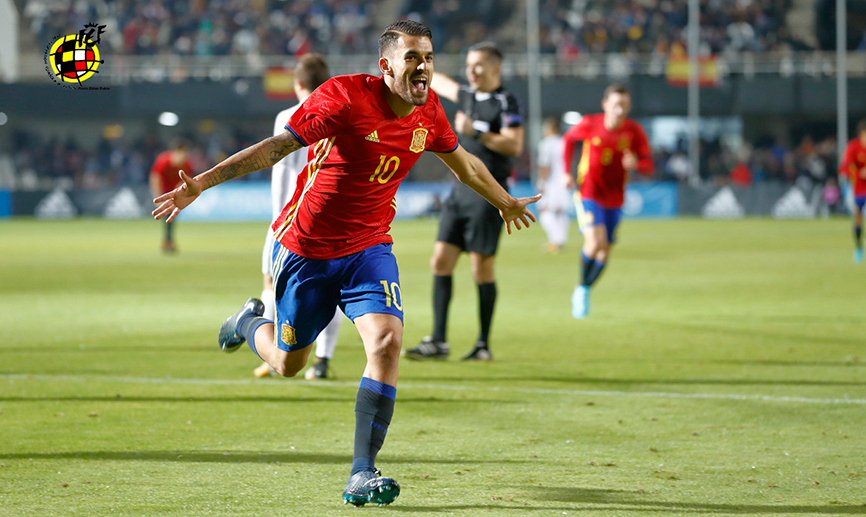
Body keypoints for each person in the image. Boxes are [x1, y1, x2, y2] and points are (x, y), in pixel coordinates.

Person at [151, 20, 539, 507]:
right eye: (413, 58)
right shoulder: (343, 97)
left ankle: (362, 471)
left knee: (388, 340)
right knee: (290, 364)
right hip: (307, 250)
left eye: (429, 57)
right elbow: (274, 149)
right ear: (386, 66)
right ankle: (250, 324)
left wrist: (504, 200)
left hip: (369, 250)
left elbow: (466, 165)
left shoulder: (430, 112)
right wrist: (202, 183)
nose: (424, 67)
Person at [403, 41, 524, 362]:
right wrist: (415, 66)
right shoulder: (468, 96)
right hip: (458, 193)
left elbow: (515, 145)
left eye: (478, 65)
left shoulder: (506, 101)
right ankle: (438, 340)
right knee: (440, 261)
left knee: (481, 269)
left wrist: (478, 132)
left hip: (487, 194)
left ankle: (483, 344)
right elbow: (441, 82)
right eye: (469, 64)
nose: (471, 70)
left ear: (495, 68)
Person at [253, 53, 344, 380]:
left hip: (292, 218)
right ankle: (322, 361)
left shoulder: (288, 116)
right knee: (332, 290)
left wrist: (277, 221)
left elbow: (283, 170)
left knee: (272, 282)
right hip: (333, 219)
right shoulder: (342, 114)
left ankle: (273, 352)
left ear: (298, 83)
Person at [562, 83, 653, 319]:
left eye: (624, 105)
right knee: (595, 241)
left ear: (628, 105)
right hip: (589, 190)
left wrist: (637, 165)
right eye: (615, 105)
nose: (620, 110)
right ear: (605, 105)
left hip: (616, 196)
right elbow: (569, 141)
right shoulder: (591, 123)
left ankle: (585, 288)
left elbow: (648, 164)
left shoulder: (634, 131)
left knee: (605, 251)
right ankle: (581, 290)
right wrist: (566, 172)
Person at [149, 138, 191, 253]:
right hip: (163, 192)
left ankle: (168, 242)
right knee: (167, 217)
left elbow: (184, 180)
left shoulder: (186, 164)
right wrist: (157, 199)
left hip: (174, 193)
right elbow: (155, 179)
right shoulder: (163, 161)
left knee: (171, 218)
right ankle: (168, 242)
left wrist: (178, 194)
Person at [536, 116, 572, 253]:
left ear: (550, 128)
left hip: (551, 183)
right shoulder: (564, 142)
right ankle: (561, 240)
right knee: (560, 212)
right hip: (564, 181)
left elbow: (545, 166)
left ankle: (555, 240)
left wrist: (542, 183)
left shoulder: (546, 143)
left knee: (544, 211)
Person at [839, 119, 866, 263]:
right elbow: (844, 168)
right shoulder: (853, 147)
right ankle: (859, 248)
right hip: (859, 189)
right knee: (858, 218)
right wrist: (859, 174)